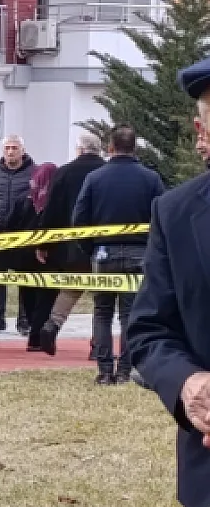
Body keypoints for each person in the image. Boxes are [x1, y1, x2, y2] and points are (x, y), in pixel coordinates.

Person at [127, 54, 210, 507]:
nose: (202, 132)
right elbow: (150, 331)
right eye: (204, 119)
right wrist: (185, 383)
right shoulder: (177, 212)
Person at [71, 123, 164, 385]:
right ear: (135, 148)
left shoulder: (95, 178)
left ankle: (104, 370)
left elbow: (79, 219)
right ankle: (125, 370)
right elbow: (162, 217)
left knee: (102, 311)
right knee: (130, 314)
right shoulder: (151, 179)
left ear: (110, 147)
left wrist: (90, 248)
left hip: (103, 252)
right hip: (139, 252)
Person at [35, 132, 107, 356]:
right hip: (105, 245)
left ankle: (52, 324)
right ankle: (98, 344)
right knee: (102, 298)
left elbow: (52, 210)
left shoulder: (64, 172)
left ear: (79, 149)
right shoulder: (107, 171)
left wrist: (44, 243)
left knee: (71, 288)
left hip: (73, 245)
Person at [0, 135, 35, 334]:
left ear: (23, 150)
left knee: (24, 280)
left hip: (23, 236)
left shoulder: (34, 173)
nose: (10, 151)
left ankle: (24, 320)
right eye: (7, 148)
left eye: (15, 148)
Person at [5, 162, 58, 352]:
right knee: (46, 296)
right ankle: (37, 333)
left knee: (27, 294)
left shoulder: (23, 198)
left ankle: (33, 332)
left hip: (23, 255)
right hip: (47, 255)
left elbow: (10, 223)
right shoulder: (53, 201)